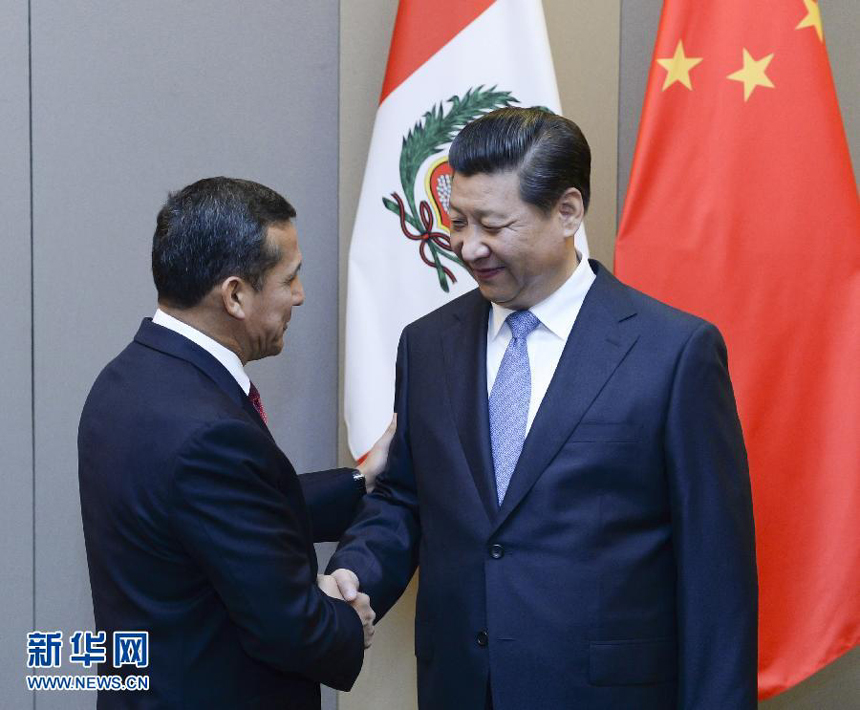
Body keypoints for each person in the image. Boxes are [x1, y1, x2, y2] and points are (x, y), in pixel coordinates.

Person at [328, 108, 758, 709]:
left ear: (567, 212)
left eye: (493, 224)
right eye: (458, 221)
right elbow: (404, 497)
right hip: (460, 689)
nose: (467, 246)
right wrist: (358, 571)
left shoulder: (673, 352)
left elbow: (716, 571)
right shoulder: (426, 344)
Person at [78, 177, 393, 709]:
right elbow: (293, 629)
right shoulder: (208, 432)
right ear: (235, 295)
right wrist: (347, 618)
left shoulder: (126, 379)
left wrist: (362, 482)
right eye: (289, 278)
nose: (300, 295)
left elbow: (231, 509)